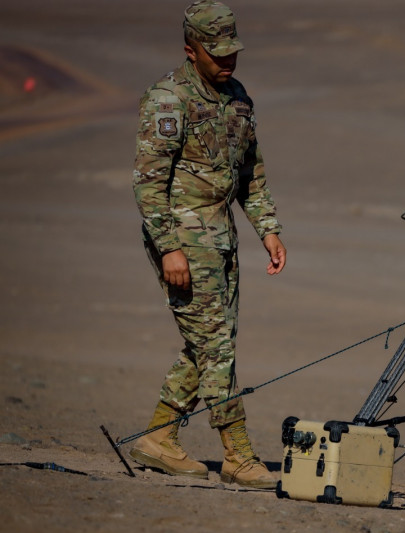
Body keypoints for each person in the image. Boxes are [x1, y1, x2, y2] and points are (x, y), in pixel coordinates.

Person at [130, 0, 286, 489]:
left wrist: (268, 229)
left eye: (231, 50)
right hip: (181, 237)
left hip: (222, 238)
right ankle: (237, 454)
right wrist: (169, 248)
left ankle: (158, 437)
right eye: (214, 52)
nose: (227, 60)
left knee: (209, 345)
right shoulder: (167, 99)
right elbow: (148, 183)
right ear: (190, 49)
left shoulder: (238, 98)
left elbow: (250, 176)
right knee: (216, 348)